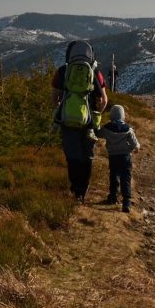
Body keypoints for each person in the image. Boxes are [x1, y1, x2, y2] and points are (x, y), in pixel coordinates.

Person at [52, 41, 108, 202]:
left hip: (68, 121)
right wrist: (96, 116)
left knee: (72, 156)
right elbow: (103, 100)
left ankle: (75, 190)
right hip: (88, 122)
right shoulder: (95, 72)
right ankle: (83, 191)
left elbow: (54, 98)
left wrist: (63, 109)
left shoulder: (63, 71)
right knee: (87, 156)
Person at [97, 104, 141, 213]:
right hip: (126, 157)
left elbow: (98, 133)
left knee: (114, 175)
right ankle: (126, 202)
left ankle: (113, 197)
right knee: (126, 178)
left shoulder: (107, 128)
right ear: (123, 116)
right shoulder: (128, 129)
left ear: (111, 115)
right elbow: (135, 144)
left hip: (113, 156)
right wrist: (133, 149)